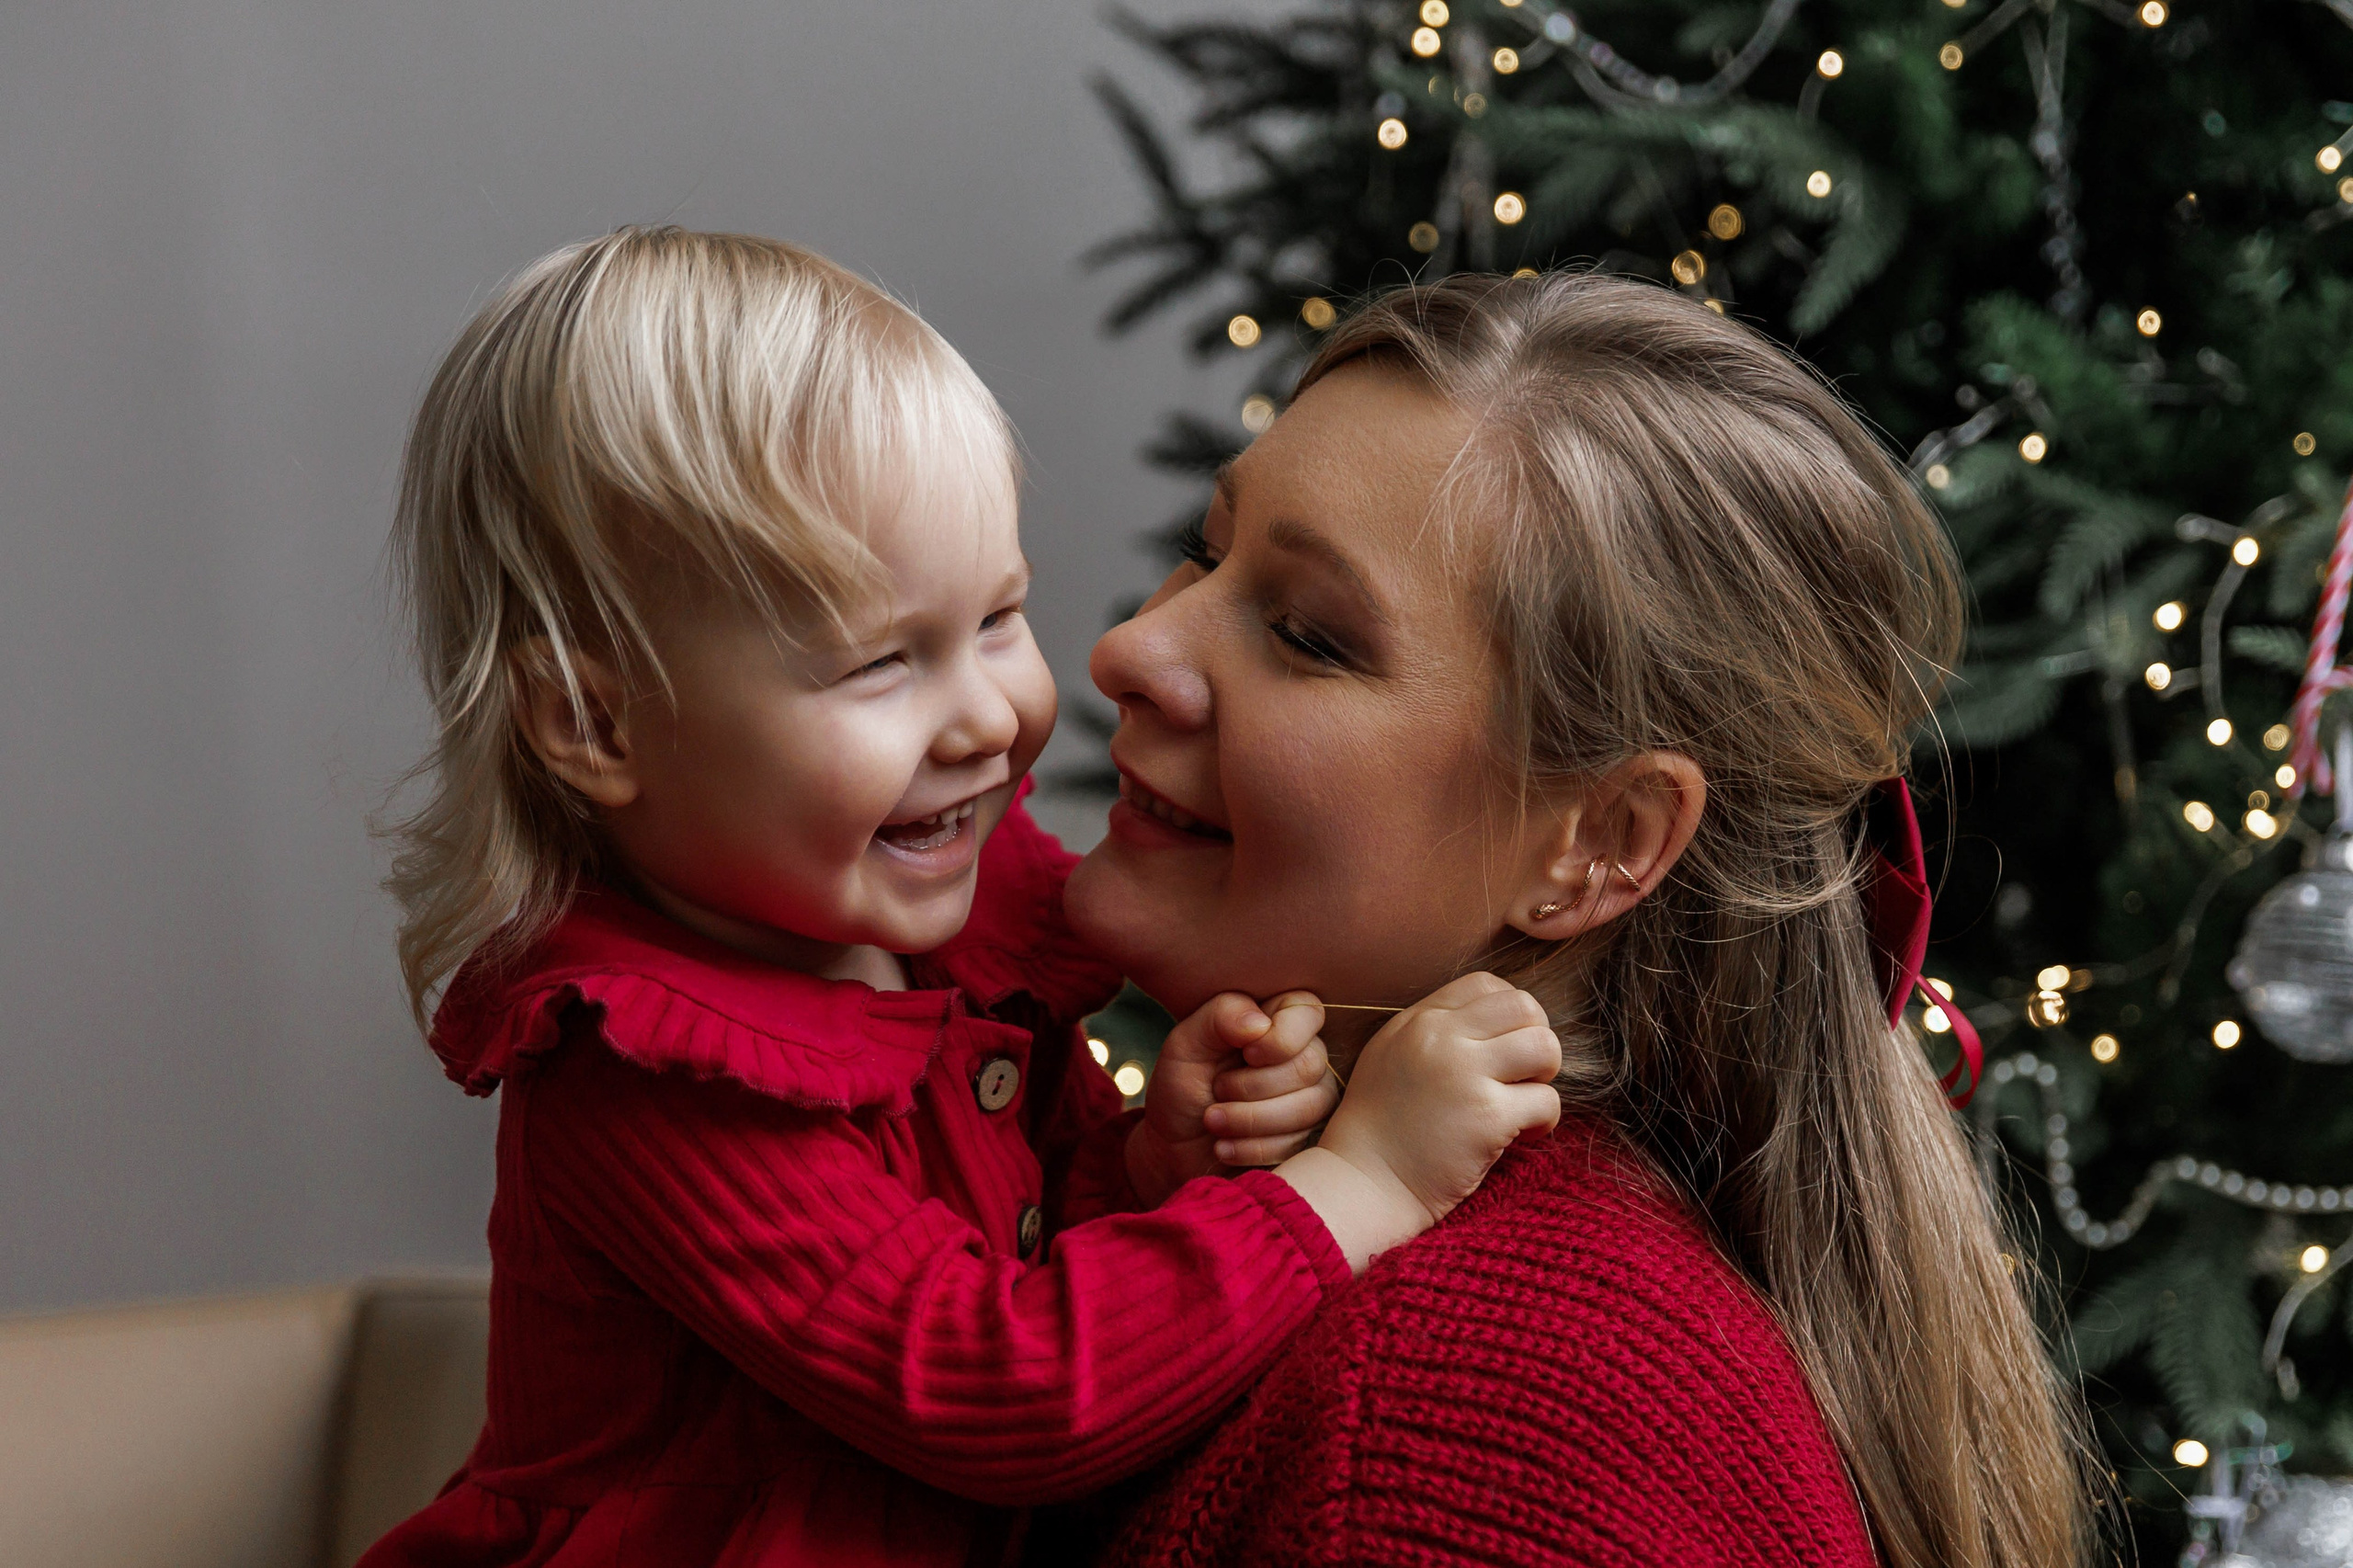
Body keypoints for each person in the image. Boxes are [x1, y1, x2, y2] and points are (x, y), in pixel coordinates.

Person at [360, 229, 1563, 1568]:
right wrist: (1359, 1180)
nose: (995, 712)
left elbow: (1034, 1245)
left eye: (998, 617)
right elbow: (1000, 1384)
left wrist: (1152, 1166)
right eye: (883, 663)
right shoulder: (644, 1072)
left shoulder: (941, 934)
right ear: (594, 721)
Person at [1058, 273, 2097, 1568]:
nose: (1134, 650)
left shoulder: (1458, 1417)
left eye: (1310, 636)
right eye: (1207, 552)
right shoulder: (1220, 1213)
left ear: (1602, 841)